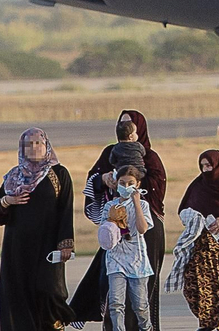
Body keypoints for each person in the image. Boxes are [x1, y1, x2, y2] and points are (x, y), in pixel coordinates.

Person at [73, 110, 169, 331]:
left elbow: (157, 189)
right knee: (112, 290)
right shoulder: (110, 153)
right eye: (122, 124)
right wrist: (104, 180)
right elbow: (93, 179)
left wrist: (132, 188)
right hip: (116, 228)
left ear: (140, 129)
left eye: (130, 125)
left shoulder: (150, 157)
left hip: (145, 231)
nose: (126, 131)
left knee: (142, 295)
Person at [0, 128, 76, 331]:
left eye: (38, 143)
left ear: (46, 145)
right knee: (18, 295)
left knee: (49, 291)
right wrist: (8, 200)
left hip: (47, 246)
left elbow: (65, 209)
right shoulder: (14, 176)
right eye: (29, 144)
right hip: (17, 248)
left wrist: (66, 243)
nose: (34, 148)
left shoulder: (59, 174)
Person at [169, 150, 219, 331]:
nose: (206, 170)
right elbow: (184, 208)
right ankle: (207, 324)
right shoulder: (197, 187)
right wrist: (193, 218)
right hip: (203, 250)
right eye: (203, 166)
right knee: (195, 289)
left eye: (210, 166)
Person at [103, 164, 155, 331]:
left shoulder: (143, 206)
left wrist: (136, 203)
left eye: (130, 183)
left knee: (140, 305)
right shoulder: (109, 206)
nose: (126, 187)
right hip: (115, 258)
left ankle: (146, 328)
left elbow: (142, 229)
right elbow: (104, 235)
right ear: (116, 183)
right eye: (122, 183)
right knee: (116, 303)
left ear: (137, 184)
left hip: (136, 259)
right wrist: (112, 222)